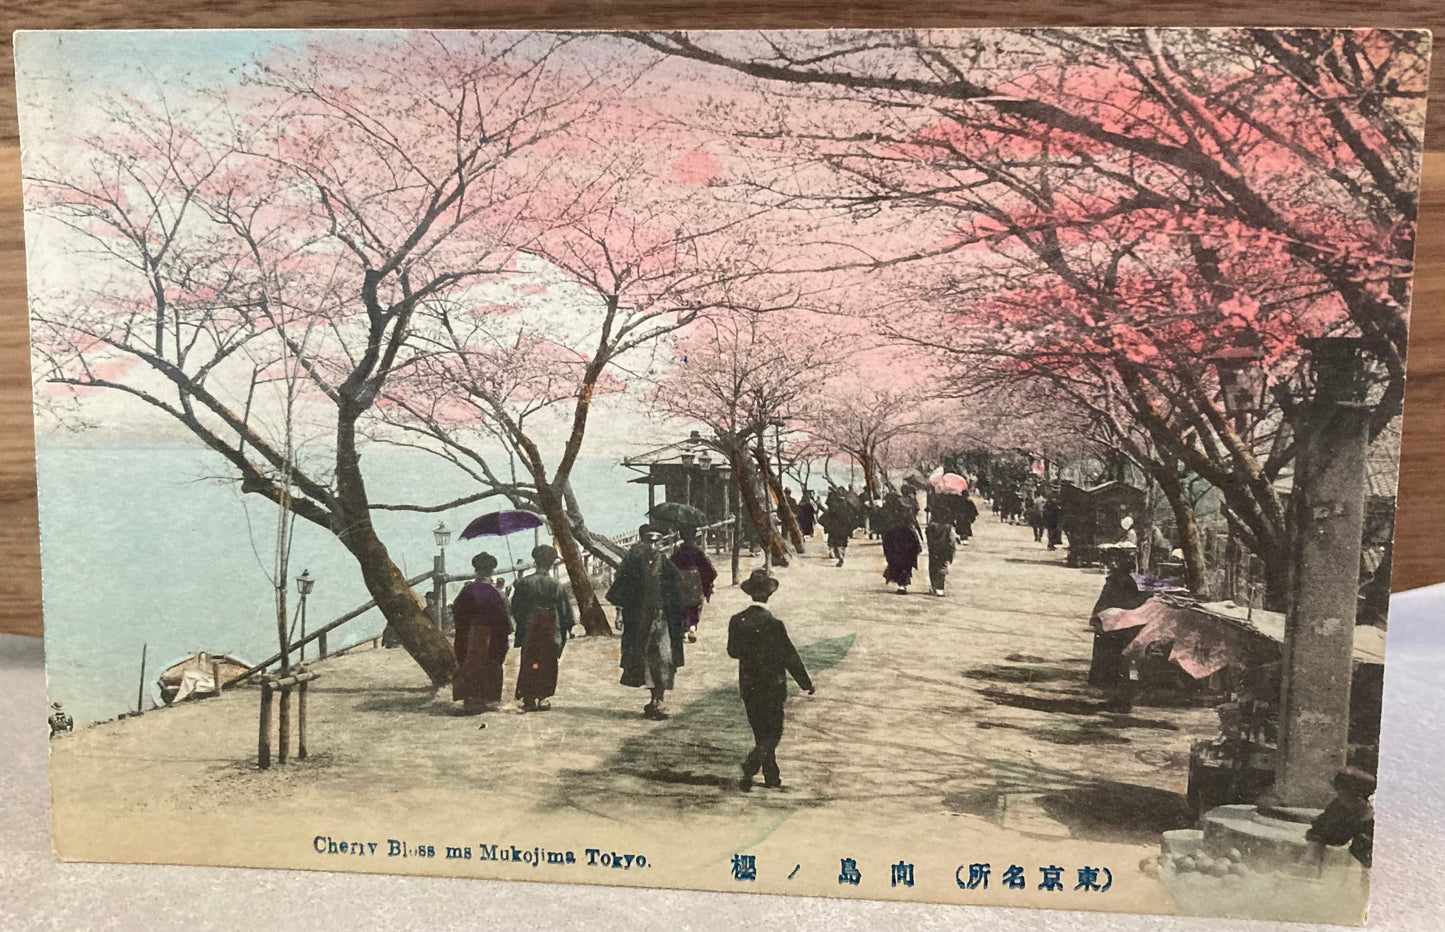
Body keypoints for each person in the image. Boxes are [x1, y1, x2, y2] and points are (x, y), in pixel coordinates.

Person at [727, 569, 815, 791]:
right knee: (773, 732)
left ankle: (771, 775)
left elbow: (733, 652)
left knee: (760, 731)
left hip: (748, 684)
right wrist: (806, 682)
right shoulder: (774, 625)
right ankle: (752, 763)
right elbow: (790, 657)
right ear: (769, 595)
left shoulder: (737, 620)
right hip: (773, 686)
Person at [607, 526, 686, 720]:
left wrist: (680, 622)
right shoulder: (633, 565)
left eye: (656, 541)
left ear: (661, 544)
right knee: (645, 659)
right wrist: (618, 614)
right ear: (642, 542)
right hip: (639, 619)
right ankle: (654, 699)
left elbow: (679, 593)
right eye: (648, 541)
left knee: (664, 658)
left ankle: (660, 699)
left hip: (663, 619)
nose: (652, 545)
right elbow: (621, 591)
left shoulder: (668, 567)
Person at [509, 545, 575, 713]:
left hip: (530, 626)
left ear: (535, 561)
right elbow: (564, 610)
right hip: (551, 625)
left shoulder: (524, 583)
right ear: (551, 563)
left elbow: (515, 608)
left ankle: (529, 698)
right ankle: (543, 697)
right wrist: (568, 627)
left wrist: (523, 622)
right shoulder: (556, 585)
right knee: (548, 661)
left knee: (530, 660)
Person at [1088, 546, 1150, 711]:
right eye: (1111, 561)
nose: (1113, 564)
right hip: (1119, 626)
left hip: (1117, 628)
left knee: (1116, 664)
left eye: (1116, 561)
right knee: (1118, 664)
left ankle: (1120, 700)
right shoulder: (1129, 580)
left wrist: (1098, 617)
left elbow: (1108, 603)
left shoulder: (1120, 581)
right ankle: (1119, 699)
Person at [450, 552, 513, 714]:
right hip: (491, 634)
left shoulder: (467, 591)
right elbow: (504, 619)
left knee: (470, 662)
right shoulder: (497, 593)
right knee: (490, 663)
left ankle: (469, 698)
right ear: (492, 571)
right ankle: (488, 698)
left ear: (476, 570)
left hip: (470, 633)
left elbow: (457, 612)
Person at [1304, 768, 1375, 873]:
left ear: (1359, 796)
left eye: (1346, 793)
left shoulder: (1373, 812)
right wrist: (1311, 857)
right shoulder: (1338, 807)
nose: (1341, 796)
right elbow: (1319, 832)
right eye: (1340, 792)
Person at [670, 526, 717, 643]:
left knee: (682, 605)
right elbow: (709, 570)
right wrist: (708, 584)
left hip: (681, 582)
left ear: (681, 536)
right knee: (696, 605)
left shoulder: (678, 552)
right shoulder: (698, 551)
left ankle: (684, 628)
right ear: (695, 536)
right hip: (696, 583)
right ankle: (692, 627)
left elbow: (670, 567)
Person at [880, 493, 922, 594]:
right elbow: (914, 527)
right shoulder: (907, 514)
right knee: (906, 565)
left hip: (895, 542)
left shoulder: (890, 515)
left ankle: (901, 585)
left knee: (897, 564)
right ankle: (903, 585)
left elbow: (886, 534)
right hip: (908, 542)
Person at [925, 518, 958, 596]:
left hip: (933, 548)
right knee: (942, 566)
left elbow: (928, 537)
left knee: (933, 565)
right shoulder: (948, 527)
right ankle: (940, 588)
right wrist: (952, 553)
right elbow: (952, 541)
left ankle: (933, 586)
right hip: (944, 549)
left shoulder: (931, 526)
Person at [820, 491, 854, 566]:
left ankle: (840, 557)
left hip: (835, 528)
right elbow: (851, 518)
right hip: (845, 528)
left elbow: (828, 517)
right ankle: (842, 555)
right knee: (844, 543)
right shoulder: (848, 506)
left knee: (837, 544)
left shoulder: (834, 506)